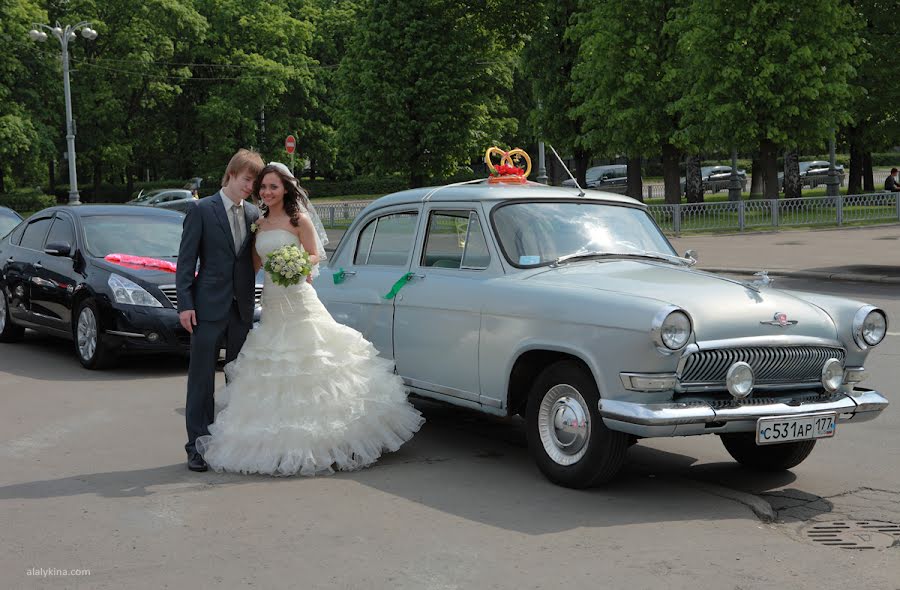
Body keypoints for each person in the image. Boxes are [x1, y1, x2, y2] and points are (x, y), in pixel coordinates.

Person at [194, 163, 423, 476]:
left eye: (273, 186)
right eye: (262, 187)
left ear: (285, 188)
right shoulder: (258, 224)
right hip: (273, 302)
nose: (266, 192)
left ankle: (332, 441)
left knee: (314, 361)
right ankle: (280, 446)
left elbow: (316, 255)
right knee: (277, 369)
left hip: (299, 298)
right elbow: (252, 263)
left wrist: (297, 263)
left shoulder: (298, 219)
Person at [176, 149, 264, 472]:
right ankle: (196, 447)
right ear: (230, 175)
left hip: (241, 309)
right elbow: (186, 262)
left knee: (237, 380)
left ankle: (230, 442)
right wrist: (184, 304)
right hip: (206, 308)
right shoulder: (201, 210)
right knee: (201, 381)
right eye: (247, 179)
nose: (250, 187)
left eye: (254, 182)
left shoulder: (255, 214)